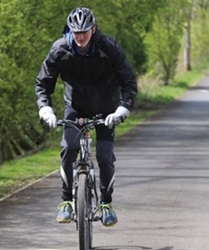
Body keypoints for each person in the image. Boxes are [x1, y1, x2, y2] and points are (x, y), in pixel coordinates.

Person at [35, 7, 137, 227]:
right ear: (70, 31)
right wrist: (45, 108)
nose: (80, 36)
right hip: (75, 106)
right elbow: (43, 83)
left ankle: (106, 204)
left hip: (107, 108)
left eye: (84, 31)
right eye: (75, 32)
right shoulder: (60, 49)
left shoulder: (108, 48)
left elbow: (129, 81)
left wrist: (122, 109)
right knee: (69, 148)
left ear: (93, 29)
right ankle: (66, 202)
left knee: (104, 155)